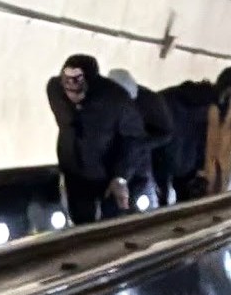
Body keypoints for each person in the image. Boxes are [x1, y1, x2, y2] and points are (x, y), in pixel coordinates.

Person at [46, 55, 146, 223]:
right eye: (68, 92)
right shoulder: (54, 90)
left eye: (79, 91)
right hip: (74, 171)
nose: (73, 97)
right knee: (80, 222)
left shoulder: (116, 99)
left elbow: (133, 138)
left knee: (111, 223)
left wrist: (121, 176)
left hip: (107, 173)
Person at [106, 69, 174, 209]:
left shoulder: (151, 102)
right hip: (117, 166)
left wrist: (141, 144)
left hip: (141, 164)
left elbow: (166, 132)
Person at [201, 66, 231, 194]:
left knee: (219, 192)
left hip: (225, 155)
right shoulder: (207, 99)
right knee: (205, 193)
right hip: (206, 155)